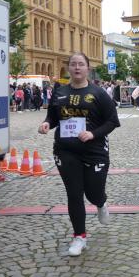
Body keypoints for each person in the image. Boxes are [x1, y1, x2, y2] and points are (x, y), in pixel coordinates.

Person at [38, 52, 120, 257]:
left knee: (93, 192)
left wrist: (93, 134)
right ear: (68, 68)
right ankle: (79, 237)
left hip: (95, 150)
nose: (76, 68)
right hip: (65, 150)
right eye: (73, 64)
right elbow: (53, 116)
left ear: (87, 68)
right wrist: (47, 123)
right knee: (74, 193)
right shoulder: (60, 92)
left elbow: (112, 121)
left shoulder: (98, 93)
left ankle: (100, 202)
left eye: (81, 64)